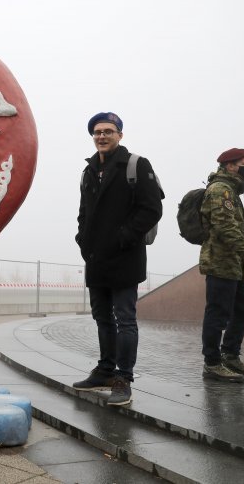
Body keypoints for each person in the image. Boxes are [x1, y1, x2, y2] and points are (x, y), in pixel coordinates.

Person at [73, 112, 163, 406]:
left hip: (125, 257)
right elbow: (84, 211)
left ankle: (123, 378)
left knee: (125, 319)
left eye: (108, 131)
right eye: (97, 132)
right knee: (102, 318)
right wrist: (82, 239)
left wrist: (125, 236)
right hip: (96, 258)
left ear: (120, 135)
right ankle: (105, 371)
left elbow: (151, 209)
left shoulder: (136, 165)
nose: (102, 136)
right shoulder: (88, 171)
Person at [199, 148, 244, 382]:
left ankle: (230, 354)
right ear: (230, 166)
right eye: (243, 163)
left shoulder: (232, 190)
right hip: (220, 263)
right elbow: (227, 229)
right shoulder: (220, 190)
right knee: (218, 314)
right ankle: (212, 363)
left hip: (235, 265)